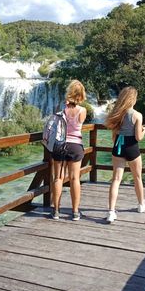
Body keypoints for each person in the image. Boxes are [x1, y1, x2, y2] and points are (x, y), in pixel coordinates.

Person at [104, 86, 145, 223]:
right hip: (132, 147)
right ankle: (141, 204)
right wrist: (144, 130)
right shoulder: (137, 115)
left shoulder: (117, 114)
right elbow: (138, 137)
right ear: (133, 99)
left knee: (116, 179)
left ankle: (111, 212)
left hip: (119, 146)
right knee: (137, 177)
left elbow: (114, 136)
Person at [51, 80, 87, 221]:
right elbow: (78, 123)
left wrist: (64, 106)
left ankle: (56, 211)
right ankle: (75, 212)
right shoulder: (83, 111)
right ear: (81, 94)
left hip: (60, 145)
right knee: (74, 178)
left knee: (58, 178)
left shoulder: (61, 109)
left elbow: (56, 120)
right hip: (75, 146)